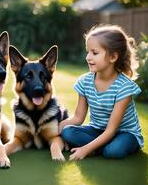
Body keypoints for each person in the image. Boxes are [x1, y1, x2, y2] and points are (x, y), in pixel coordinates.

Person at [59, 24, 143, 160]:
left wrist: (85, 150)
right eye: (87, 52)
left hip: (125, 133)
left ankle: (98, 147)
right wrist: (55, 130)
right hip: (97, 131)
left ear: (113, 57)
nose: (87, 57)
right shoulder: (84, 82)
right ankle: (99, 146)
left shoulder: (124, 88)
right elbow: (78, 118)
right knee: (68, 132)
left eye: (94, 53)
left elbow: (111, 130)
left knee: (113, 151)